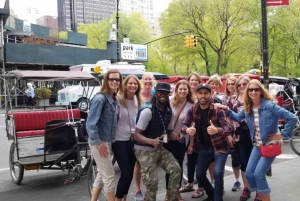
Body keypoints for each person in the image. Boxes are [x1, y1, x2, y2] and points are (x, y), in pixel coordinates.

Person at [215, 79, 297, 201]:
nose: (253, 92)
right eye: (251, 90)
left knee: (258, 174)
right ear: (247, 92)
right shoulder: (248, 107)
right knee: (249, 173)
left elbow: (292, 118)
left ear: (260, 91)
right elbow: (237, 117)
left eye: (256, 89)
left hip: (270, 144)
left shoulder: (270, 105)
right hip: (257, 145)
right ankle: (260, 193)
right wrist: (226, 109)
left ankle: (265, 197)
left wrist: (282, 135)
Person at [182, 83, 233, 201]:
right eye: (200, 93)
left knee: (218, 172)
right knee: (199, 174)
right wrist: (188, 130)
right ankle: (212, 194)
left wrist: (217, 130)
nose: (203, 96)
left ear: (210, 94)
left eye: (205, 93)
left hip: (220, 147)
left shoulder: (217, 110)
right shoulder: (193, 109)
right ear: (196, 94)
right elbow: (184, 125)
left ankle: (218, 198)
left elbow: (228, 128)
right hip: (204, 148)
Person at [134, 82, 181, 201]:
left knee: (176, 169)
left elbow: (170, 133)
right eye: (160, 92)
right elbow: (136, 135)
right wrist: (151, 141)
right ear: (156, 94)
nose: (163, 95)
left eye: (166, 92)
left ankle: (171, 198)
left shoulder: (170, 112)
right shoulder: (147, 112)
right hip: (144, 150)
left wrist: (179, 136)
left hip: (158, 149)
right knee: (152, 183)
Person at [86, 69, 123, 201]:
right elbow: (90, 124)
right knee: (109, 175)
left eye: (117, 79)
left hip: (108, 141)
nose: (114, 81)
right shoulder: (100, 98)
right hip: (99, 142)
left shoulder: (115, 98)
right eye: (111, 79)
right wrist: (99, 143)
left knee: (102, 175)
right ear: (106, 80)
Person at [113, 75, 143, 201]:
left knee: (130, 172)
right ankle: (117, 198)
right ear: (125, 85)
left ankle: (123, 197)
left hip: (131, 139)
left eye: (135, 84)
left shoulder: (137, 100)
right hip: (118, 140)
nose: (133, 86)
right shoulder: (118, 100)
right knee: (126, 172)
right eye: (130, 83)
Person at [164, 80, 195, 201]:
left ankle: (176, 193)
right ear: (176, 89)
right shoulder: (169, 101)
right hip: (168, 138)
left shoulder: (191, 104)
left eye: (185, 89)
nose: (182, 91)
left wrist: (191, 143)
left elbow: (193, 125)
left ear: (188, 90)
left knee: (179, 166)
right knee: (169, 167)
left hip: (182, 139)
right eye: (180, 89)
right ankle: (168, 194)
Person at [226, 75, 255, 200]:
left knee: (257, 165)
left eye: (244, 84)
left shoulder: (254, 98)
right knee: (244, 163)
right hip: (239, 137)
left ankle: (258, 189)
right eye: (239, 84)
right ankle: (246, 188)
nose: (242, 86)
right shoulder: (232, 100)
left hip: (255, 136)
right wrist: (228, 135)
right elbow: (226, 119)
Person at [179, 72, 206, 199]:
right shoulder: (187, 97)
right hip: (187, 133)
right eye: (192, 80)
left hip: (201, 135)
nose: (194, 82)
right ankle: (190, 183)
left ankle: (201, 187)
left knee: (200, 162)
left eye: (196, 80)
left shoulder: (202, 95)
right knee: (190, 160)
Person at [134, 72, 156, 201]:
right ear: (142, 81)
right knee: (138, 163)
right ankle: (137, 190)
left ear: (153, 81)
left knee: (150, 163)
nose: (148, 81)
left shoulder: (155, 93)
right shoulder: (138, 94)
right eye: (145, 79)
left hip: (152, 133)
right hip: (138, 132)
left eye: (150, 79)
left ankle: (148, 190)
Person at [225, 76, 242, 192]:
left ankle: (249, 184)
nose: (231, 86)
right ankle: (237, 180)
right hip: (233, 133)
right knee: (235, 159)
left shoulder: (247, 97)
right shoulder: (229, 99)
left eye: (233, 84)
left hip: (245, 133)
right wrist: (229, 134)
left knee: (246, 161)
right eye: (228, 84)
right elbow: (226, 118)